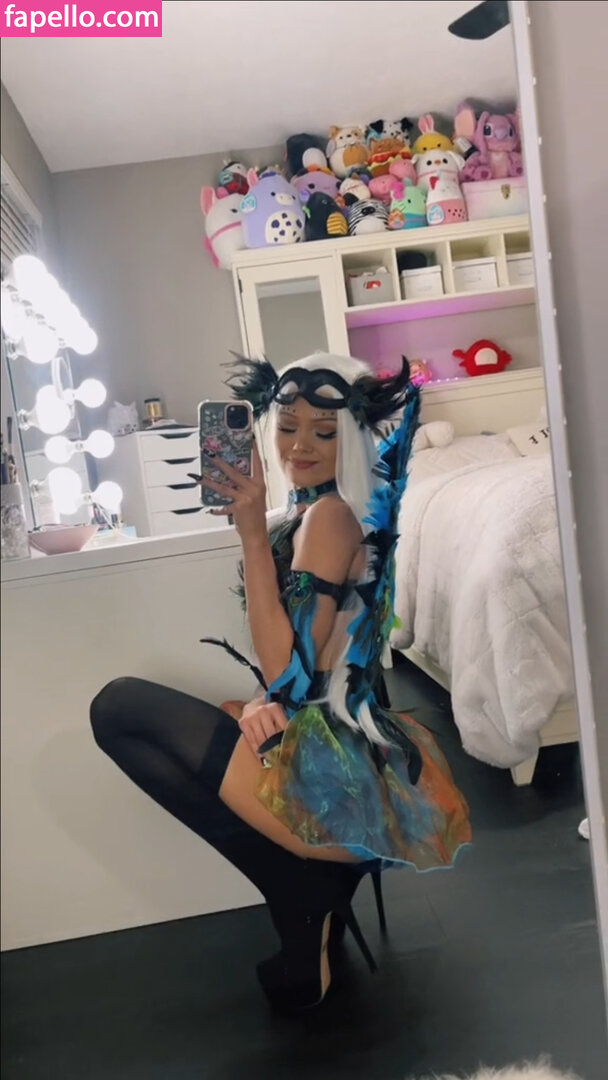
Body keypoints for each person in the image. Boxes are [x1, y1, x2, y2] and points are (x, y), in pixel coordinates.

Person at [90, 352, 471, 1013]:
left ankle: (298, 891)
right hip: (335, 746)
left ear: (353, 439)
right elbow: (310, 665)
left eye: (324, 432)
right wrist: (259, 702)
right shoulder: (316, 514)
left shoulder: (330, 518)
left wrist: (247, 532)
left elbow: (285, 671)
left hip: (328, 773)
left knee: (119, 708)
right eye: (288, 427)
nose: (299, 446)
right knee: (191, 713)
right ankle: (302, 893)